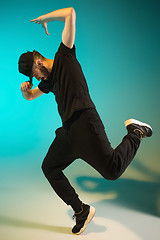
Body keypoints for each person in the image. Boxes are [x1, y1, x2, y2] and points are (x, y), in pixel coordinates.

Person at [18, 7, 152, 235]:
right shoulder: (49, 82)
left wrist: (45, 19)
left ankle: (135, 131)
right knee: (49, 168)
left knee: (112, 171)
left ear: (38, 63)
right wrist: (25, 91)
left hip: (86, 123)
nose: (36, 79)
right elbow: (31, 96)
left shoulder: (64, 56)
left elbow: (70, 13)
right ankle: (81, 210)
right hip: (69, 132)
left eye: (34, 74)